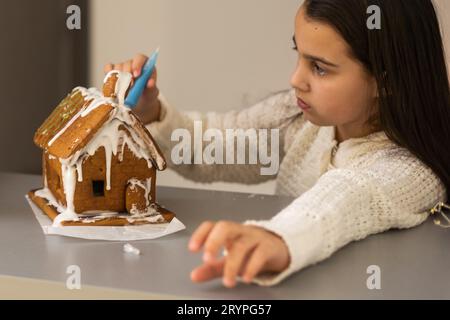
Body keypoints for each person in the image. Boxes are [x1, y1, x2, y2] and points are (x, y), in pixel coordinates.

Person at [105, 0, 450, 288]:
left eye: (319, 68)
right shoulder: (297, 118)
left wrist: (279, 238)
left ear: (383, 81)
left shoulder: (413, 171)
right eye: (298, 54)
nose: (295, 79)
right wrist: (150, 113)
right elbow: (214, 147)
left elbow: (347, 197)